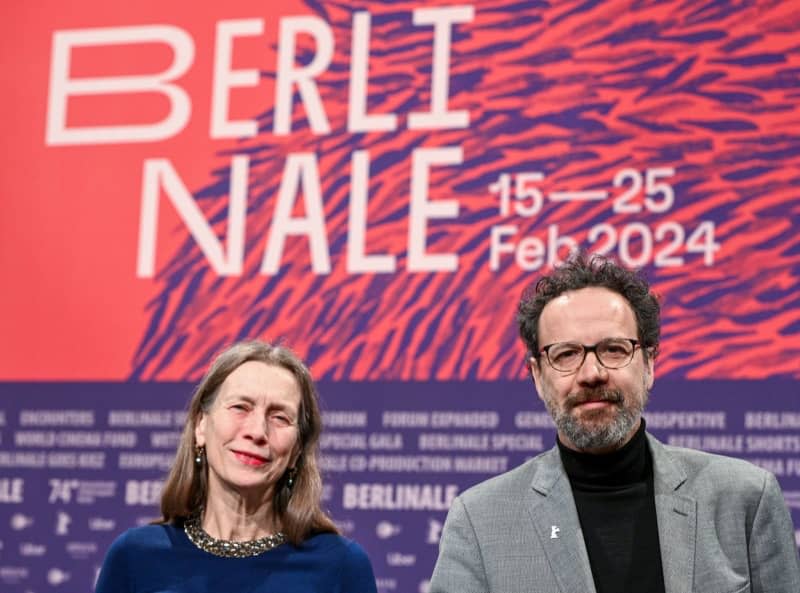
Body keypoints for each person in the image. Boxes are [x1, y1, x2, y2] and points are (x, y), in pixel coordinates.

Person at [430, 253, 800, 593]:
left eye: (613, 349)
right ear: (537, 376)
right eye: (567, 354)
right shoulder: (480, 521)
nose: (592, 373)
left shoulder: (745, 499)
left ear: (649, 364)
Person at [96, 340, 377, 593]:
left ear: (296, 452)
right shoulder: (134, 557)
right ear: (200, 426)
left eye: (279, 417)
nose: (257, 431)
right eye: (240, 407)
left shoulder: (341, 566)